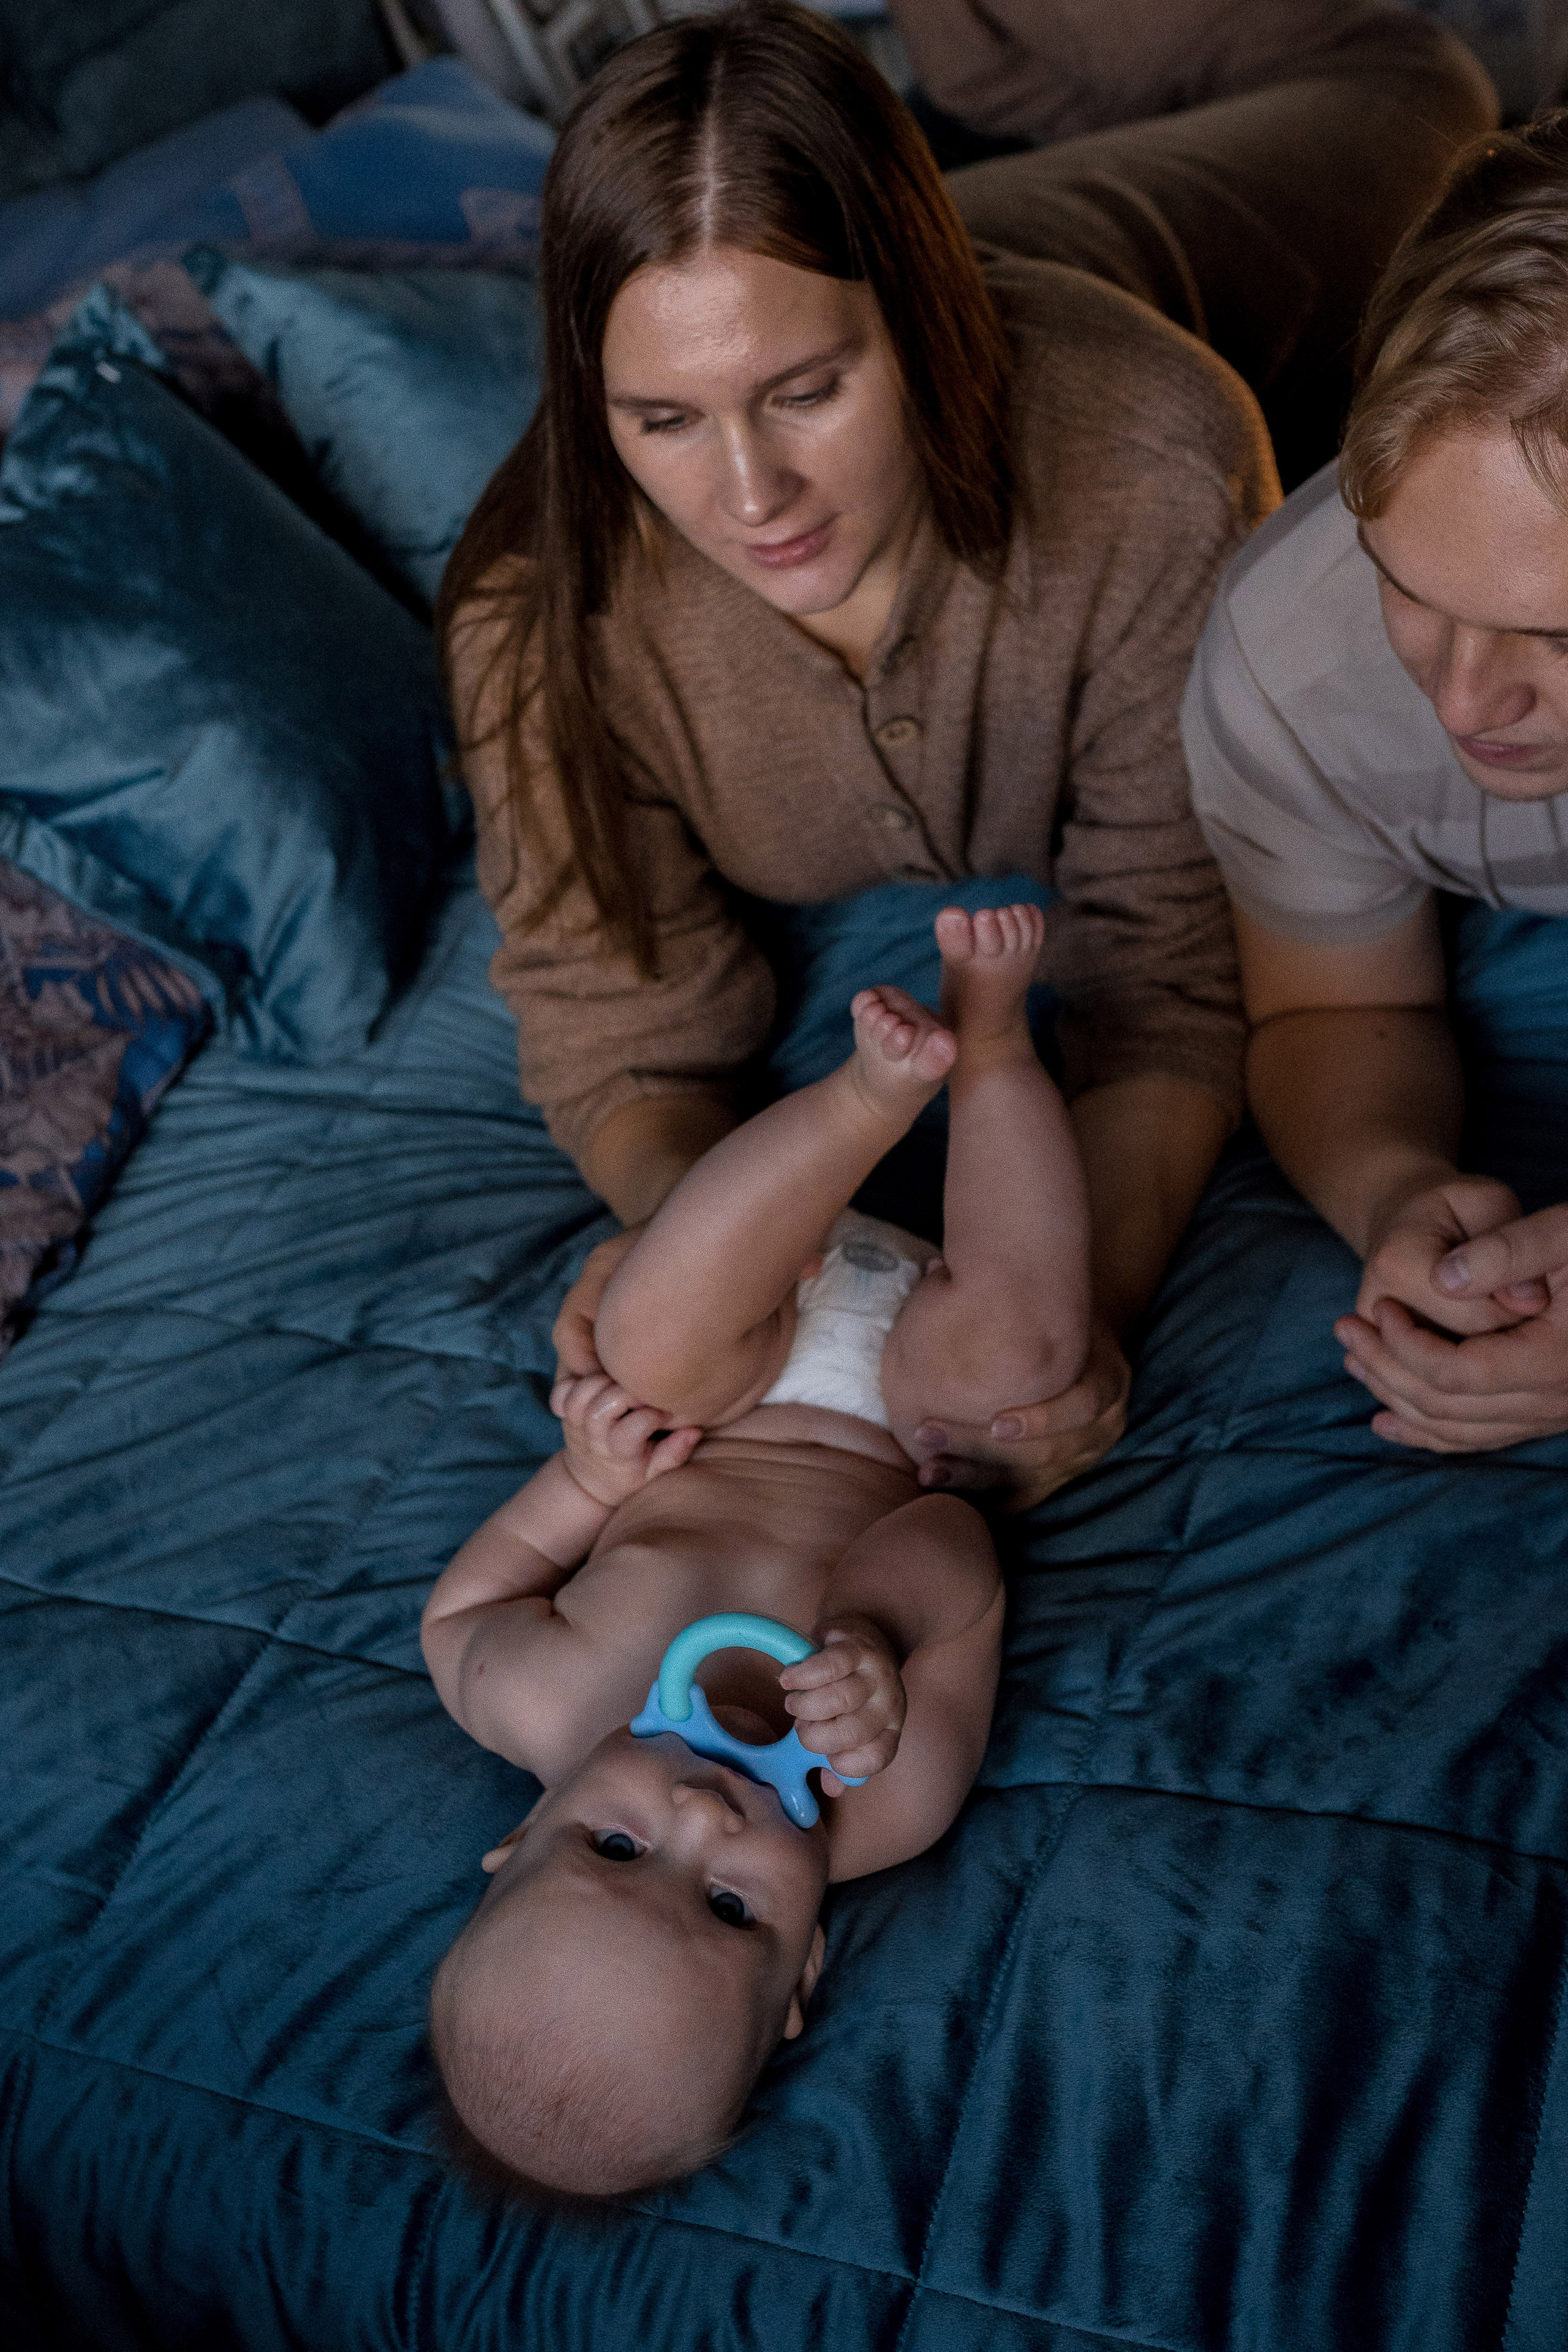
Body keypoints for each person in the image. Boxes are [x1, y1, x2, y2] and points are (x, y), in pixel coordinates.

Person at [440, 0, 1491, 1504]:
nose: (751, 494)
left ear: (916, 326)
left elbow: (1167, 976)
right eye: (662, 419)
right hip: (975, 240)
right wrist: (720, 1269)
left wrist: (1069, 1337)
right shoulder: (533, 617)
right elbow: (620, 1035)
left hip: (1308, 186)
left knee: (1422, 82)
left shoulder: (1149, 458)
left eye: (807, 393)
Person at [420, 905, 1079, 2193]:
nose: (696, 1816)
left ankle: (865, 1096)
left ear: (517, 1842)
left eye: (611, 1851)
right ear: (804, 1971)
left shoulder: (531, 1695)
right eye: (730, 1908)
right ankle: (994, 1042)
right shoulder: (885, 1798)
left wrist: (583, 1480)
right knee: (1024, 1372)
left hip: (745, 1355)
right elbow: (960, 1553)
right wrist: (875, 1635)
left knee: (640, 1348)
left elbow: (463, 1607)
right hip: (911, 1411)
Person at [1182, 115, 1568, 1457]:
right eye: (1410, 592)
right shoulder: (1286, 647)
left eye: (1559, 636)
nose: (1465, 703)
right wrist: (1391, 1187)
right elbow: (1331, 1004)